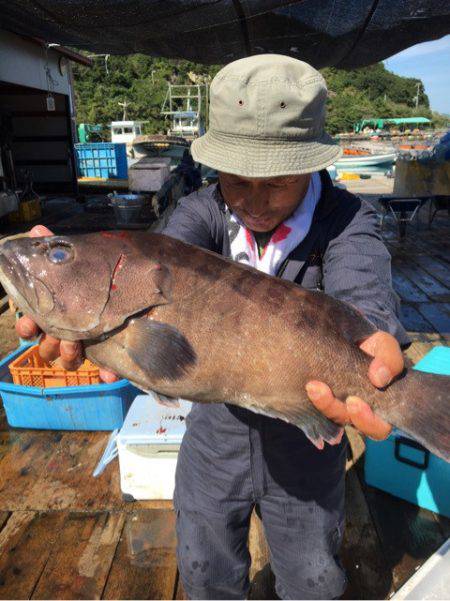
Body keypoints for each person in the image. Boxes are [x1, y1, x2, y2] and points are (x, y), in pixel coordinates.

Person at [18, 55, 409, 600]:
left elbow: (365, 294)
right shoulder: (200, 211)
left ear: (310, 166)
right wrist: (68, 280)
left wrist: (378, 343)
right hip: (212, 433)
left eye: (277, 182)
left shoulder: (347, 220)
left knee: (313, 576)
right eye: (236, 178)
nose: (253, 199)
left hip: (308, 442)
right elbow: (158, 259)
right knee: (205, 568)